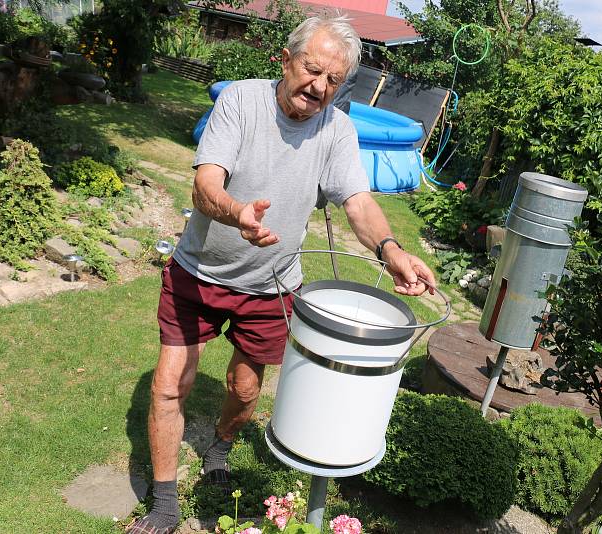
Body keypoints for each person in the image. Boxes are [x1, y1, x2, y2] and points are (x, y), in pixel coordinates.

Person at [127, 14, 436, 534]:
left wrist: (390, 249)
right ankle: (162, 502)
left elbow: (357, 202)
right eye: (311, 70)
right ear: (287, 61)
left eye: (332, 80)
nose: (318, 86)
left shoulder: (336, 129)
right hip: (198, 273)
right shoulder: (241, 101)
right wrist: (237, 213)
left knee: (245, 393)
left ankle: (220, 449)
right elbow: (205, 186)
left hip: (269, 289)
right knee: (167, 386)